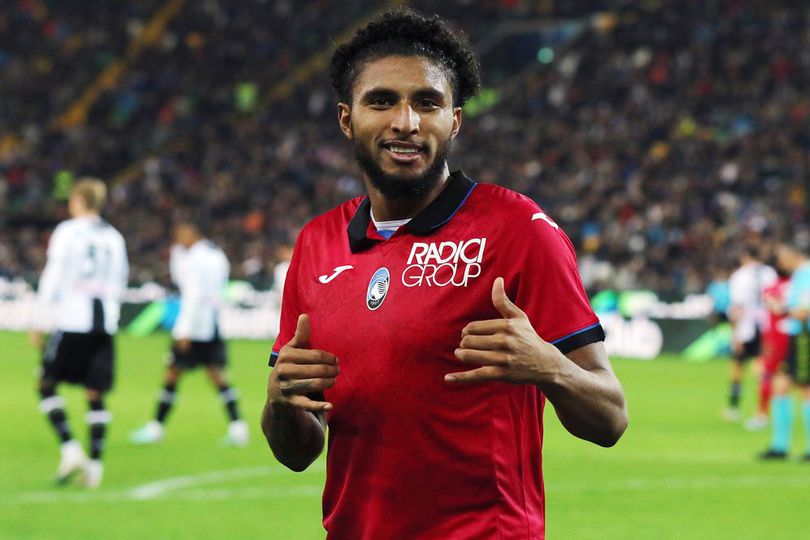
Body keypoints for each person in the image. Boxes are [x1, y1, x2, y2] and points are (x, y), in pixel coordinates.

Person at [260, 8, 628, 539]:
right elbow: (297, 452)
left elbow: (611, 418)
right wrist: (280, 401)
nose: (406, 122)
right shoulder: (317, 244)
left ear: (454, 120)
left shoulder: (518, 230)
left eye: (427, 103)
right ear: (347, 119)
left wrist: (550, 367)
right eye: (381, 101)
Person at [31, 177, 129, 488]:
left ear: (78, 200)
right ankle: (95, 468)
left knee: (45, 383)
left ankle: (71, 450)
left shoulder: (68, 232)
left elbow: (54, 274)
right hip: (104, 323)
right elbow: (121, 279)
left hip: (73, 319)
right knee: (95, 392)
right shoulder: (114, 237)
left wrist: (40, 318)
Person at [130, 221, 248, 447]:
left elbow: (193, 294)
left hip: (193, 327)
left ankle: (156, 428)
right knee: (217, 375)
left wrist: (183, 330)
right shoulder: (216, 254)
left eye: (181, 235)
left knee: (172, 373)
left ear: (191, 234)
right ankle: (238, 427)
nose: (178, 240)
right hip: (211, 323)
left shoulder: (195, 259)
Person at [759, 242, 810, 460]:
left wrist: (780, 308)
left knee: (806, 390)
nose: (779, 262)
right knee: (779, 386)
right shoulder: (799, 276)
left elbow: (804, 312)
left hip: (805, 337)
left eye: (781, 256)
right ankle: (779, 446)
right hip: (795, 337)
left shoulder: (806, 275)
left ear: (793, 254)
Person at [724, 246, 776, 421]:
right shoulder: (770, 273)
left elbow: (737, 307)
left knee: (737, 368)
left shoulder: (740, 276)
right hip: (767, 326)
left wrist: (735, 334)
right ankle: (762, 411)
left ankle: (733, 408)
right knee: (763, 369)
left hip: (746, 327)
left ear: (744, 256)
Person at [745, 264, 790, 430]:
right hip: (796, 337)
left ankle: (762, 415)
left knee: (768, 376)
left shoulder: (771, 288)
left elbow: (775, 310)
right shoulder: (798, 286)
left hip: (776, 339)